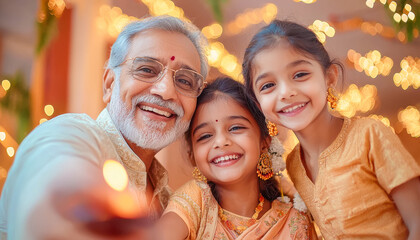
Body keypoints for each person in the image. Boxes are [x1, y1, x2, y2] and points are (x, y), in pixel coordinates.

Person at [0, 15, 209, 239]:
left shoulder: (171, 205)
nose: (166, 91)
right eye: (147, 69)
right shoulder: (70, 135)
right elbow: (57, 185)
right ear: (109, 84)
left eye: (185, 81)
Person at [242, 19, 420, 239]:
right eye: (268, 85)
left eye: (300, 75)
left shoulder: (369, 136)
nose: (286, 92)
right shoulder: (293, 164)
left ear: (329, 77)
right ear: (258, 104)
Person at [155, 77, 318, 239]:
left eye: (235, 128)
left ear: (264, 142)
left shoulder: (295, 222)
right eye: (205, 136)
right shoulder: (195, 201)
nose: (220, 142)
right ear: (193, 156)